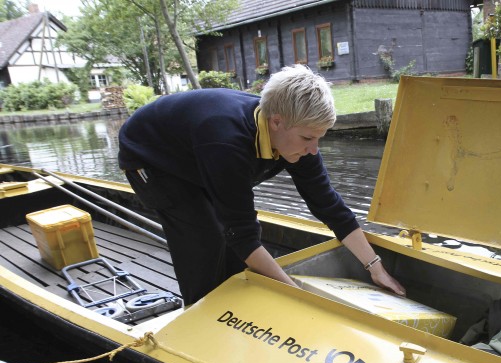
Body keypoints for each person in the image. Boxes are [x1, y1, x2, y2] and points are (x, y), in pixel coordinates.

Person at [118, 64, 405, 306]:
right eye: (308, 139)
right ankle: (200, 313)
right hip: (150, 157)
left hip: (196, 153)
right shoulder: (227, 143)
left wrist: (375, 267)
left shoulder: (296, 137)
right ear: (276, 122)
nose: (314, 150)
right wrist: (297, 296)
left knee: (231, 244)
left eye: (320, 138)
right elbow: (242, 234)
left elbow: (329, 205)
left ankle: (237, 306)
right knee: (205, 237)